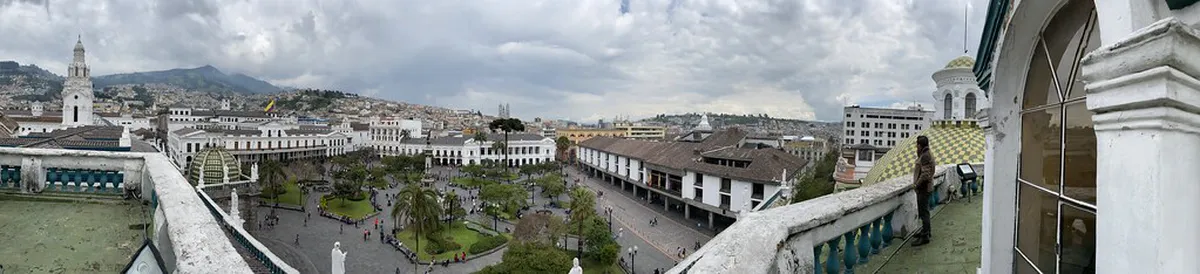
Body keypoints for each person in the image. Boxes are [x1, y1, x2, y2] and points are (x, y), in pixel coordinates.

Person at [911, 135, 937, 247]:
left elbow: (925, 174)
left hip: (924, 188)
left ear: (920, 145)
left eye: (917, 144)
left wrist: (916, 184)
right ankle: (926, 231)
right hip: (926, 187)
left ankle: (925, 236)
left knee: (923, 212)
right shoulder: (926, 153)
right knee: (925, 211)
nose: (916, 146)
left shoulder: (925, 156)